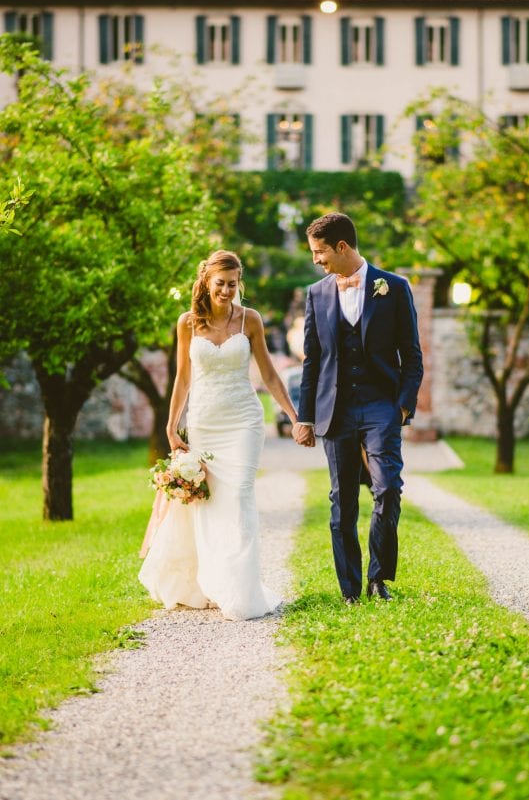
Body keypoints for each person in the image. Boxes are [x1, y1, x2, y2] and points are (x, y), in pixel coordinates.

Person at [139, 250, 299, 621]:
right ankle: (212, 583)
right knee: (209, 505)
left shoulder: (250, 321)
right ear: (206, 283)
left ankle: (241, 591)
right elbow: (182, 377)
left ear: (239, 284)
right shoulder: (188, 323)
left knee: (240, 496)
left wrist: (294, 416)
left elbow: (271, 375)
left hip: (243, 420)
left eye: (232, 284)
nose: (226, 291)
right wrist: (171, 423)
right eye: (220, 284)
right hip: (205, 423)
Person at [293, 213, 423, 605]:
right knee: (342, 499)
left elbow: (412, 356)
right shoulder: (316, 294)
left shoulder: (395, 288)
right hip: (335, 411)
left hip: (382, 406)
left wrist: (402, 407)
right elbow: (311, 360)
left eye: (320, 252)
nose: (316, 260)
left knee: (388, 489)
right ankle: (349, 589)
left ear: (342, 247)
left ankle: (378, 578)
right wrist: (305, 417)